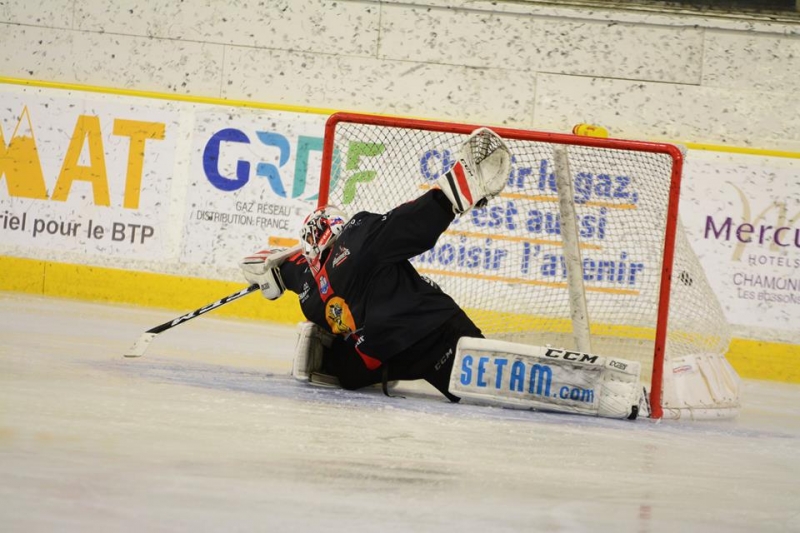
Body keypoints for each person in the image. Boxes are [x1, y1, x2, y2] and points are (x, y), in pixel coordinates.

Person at [241, 128, 512, 402]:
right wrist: (449, 196)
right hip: (432, 331)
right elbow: (405, 225)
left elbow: (290, 269)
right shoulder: (355, 240)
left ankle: (327, 357)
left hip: (382, 356)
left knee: (348, 373)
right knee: (488, 392)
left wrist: (270, 271)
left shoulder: (308, 291)